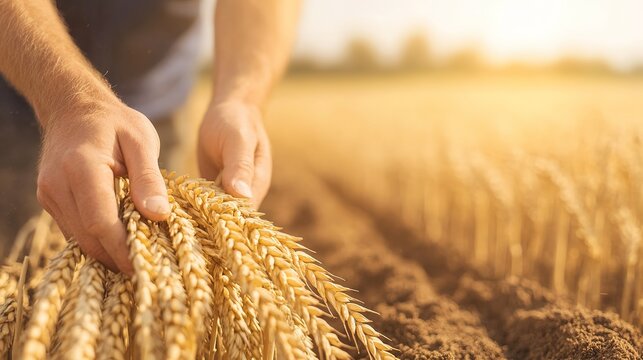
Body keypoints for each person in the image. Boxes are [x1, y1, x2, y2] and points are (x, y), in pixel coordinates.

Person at [0, 0, 300, 273]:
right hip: (24, 77)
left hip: (157, 90)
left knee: (147, 261)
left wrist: (240, 98)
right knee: (19, 267)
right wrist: (67, 101)